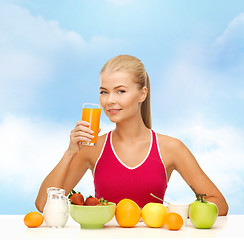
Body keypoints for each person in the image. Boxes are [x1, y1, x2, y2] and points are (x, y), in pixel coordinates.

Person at [35, 55, 228, 215]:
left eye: (120, 91)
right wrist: (70, 152)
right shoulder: (92, 148)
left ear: (142, 94)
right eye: (104, 92)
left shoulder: (170, 148)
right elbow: (43, 205)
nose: (110, 100)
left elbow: (219, 203)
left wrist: (177, 212)